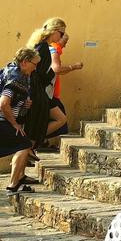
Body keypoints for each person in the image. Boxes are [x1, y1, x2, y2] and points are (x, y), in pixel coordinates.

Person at [26, 17, 73, 145]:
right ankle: (31, 143)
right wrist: (52, 73)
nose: (62, 36)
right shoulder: (43, 48)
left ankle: (31, 144)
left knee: (58, 120)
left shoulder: (41, 46)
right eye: (61, 33)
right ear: (54, 31)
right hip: (39, 94)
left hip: (39, 93)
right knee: (58, 120)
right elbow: (38, 74)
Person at [1, 48, 40, 194]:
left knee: (22, 144)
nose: (35, 68)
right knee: (23, 145)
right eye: (34, 64)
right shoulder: (15, 78)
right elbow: (4, 103)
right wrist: (14, 123)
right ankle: (13, 185)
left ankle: (17, 181)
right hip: (3, 121)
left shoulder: (11, 71)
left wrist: (24, 104)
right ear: (24, 62)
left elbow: (11, 100)